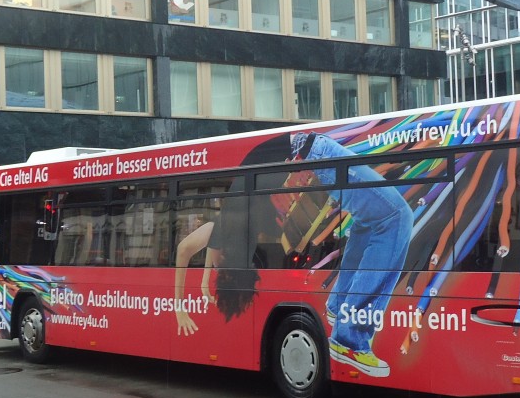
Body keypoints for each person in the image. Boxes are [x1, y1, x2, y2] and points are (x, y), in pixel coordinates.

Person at [173, 131, 413, 378]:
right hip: (314, 151)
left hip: (314, 152)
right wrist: (204, 282)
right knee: (387, 217)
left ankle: (345, 319)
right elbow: (211, 246)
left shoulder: (227, 225)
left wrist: (181, 306)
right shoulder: (230, 227)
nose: (216, 264)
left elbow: (185, 249)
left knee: (392, 217)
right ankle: (348, 330)